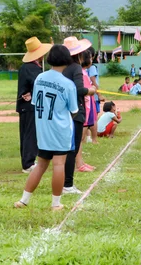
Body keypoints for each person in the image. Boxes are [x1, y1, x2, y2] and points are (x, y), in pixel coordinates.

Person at [14, 44, 79, 211]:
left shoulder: (40, 78)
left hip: (43, 130)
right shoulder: (67, 84)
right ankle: (56, 203)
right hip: (60, 130)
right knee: (59, 165)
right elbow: (74, 110)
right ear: (67, 60)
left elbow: (36, 103)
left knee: (41, 164)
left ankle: (23, 200)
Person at [62, 37, 95, 194]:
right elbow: (77, 89)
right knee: (71, 149)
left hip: (64, 110)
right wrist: (90, 91)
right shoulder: (75, 67)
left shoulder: (63, 67)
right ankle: (67, 184)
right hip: (76, 110)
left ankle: (63, 182)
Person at [17, 37, 52, 174]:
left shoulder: (28, 67)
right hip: (29, 105)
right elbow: (37, 83)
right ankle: (28, 163)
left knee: (27, 133)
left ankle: (28, 160)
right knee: (30, 134)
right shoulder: (31, 68)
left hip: (27, 105)